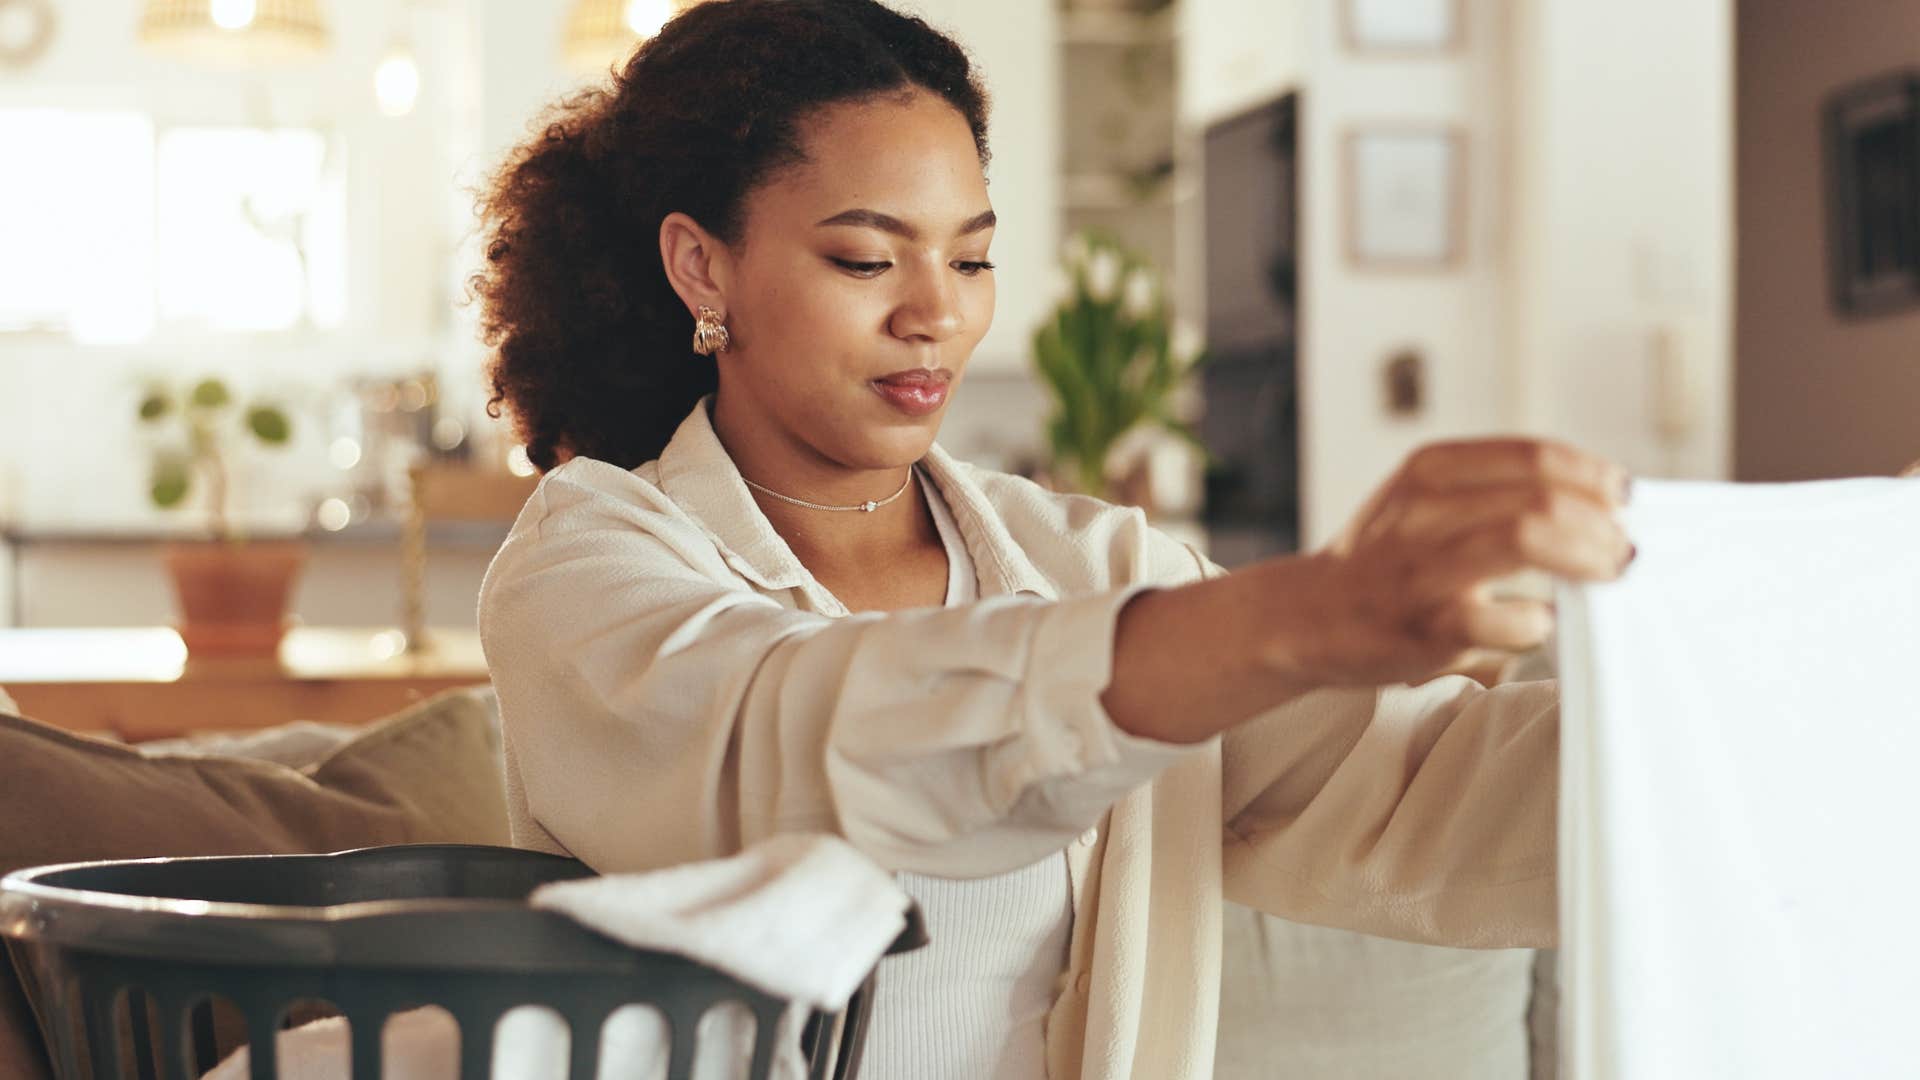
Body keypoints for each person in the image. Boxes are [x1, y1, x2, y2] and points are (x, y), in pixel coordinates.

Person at [470, 2, 1633, 1077]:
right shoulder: (590, 561)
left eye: (971, 258)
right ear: (701, 264)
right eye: (867, 259)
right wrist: (1304, 611)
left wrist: (1754, 717)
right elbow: (805, 749)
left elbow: (1417, 789)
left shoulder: (1091, 564)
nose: (938, 311)